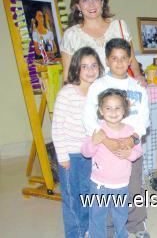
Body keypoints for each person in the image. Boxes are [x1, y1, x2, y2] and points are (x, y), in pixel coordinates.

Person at [83, 38, 150, 238]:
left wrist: (133, 140)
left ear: (130, 59)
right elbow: (89, 115)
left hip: (130, 146)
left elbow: (143, 119)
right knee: (107, 193)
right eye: (114, 58)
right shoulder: (99, 85)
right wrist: (106, 140)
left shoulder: (138, 87)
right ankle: (108, 231)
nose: (120, 63)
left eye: (124, 58)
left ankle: (137, 227)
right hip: (105, 149)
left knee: (134, 188)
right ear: (107, 60)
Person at [52, 47, 104, 238]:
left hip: (91, 154)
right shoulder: (67, 93)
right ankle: (75, 233)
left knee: (88, 194)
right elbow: (57, 127)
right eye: (85, 66)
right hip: (71, 156)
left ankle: (88, 230)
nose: (90, 70)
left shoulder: (99, 93)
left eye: (94, 65)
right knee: (72, 198)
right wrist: (63, 156)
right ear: (76, 69)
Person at [82, 88, 143, 238]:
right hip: (99, 183)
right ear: (101, 111)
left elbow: (138, 152)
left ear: (125, 110)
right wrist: (94, 142)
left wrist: (130, 154)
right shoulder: (97, 130)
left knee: (120, 214)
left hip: (121, 184)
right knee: (97, 213)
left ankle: (121, 235)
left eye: (118, 107)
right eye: (108, 108)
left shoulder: (130, 131)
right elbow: (86, 152)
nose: (113, 112)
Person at [60, 0, 145, 85]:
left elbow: (132, 61)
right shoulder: (71, 35)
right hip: (87, 96)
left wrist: (138, 76)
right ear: (78, 6)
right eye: (85, 0)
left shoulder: (119, 26)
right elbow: (67, 76)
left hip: (121, 92)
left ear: (102, 2)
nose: (91, 5)